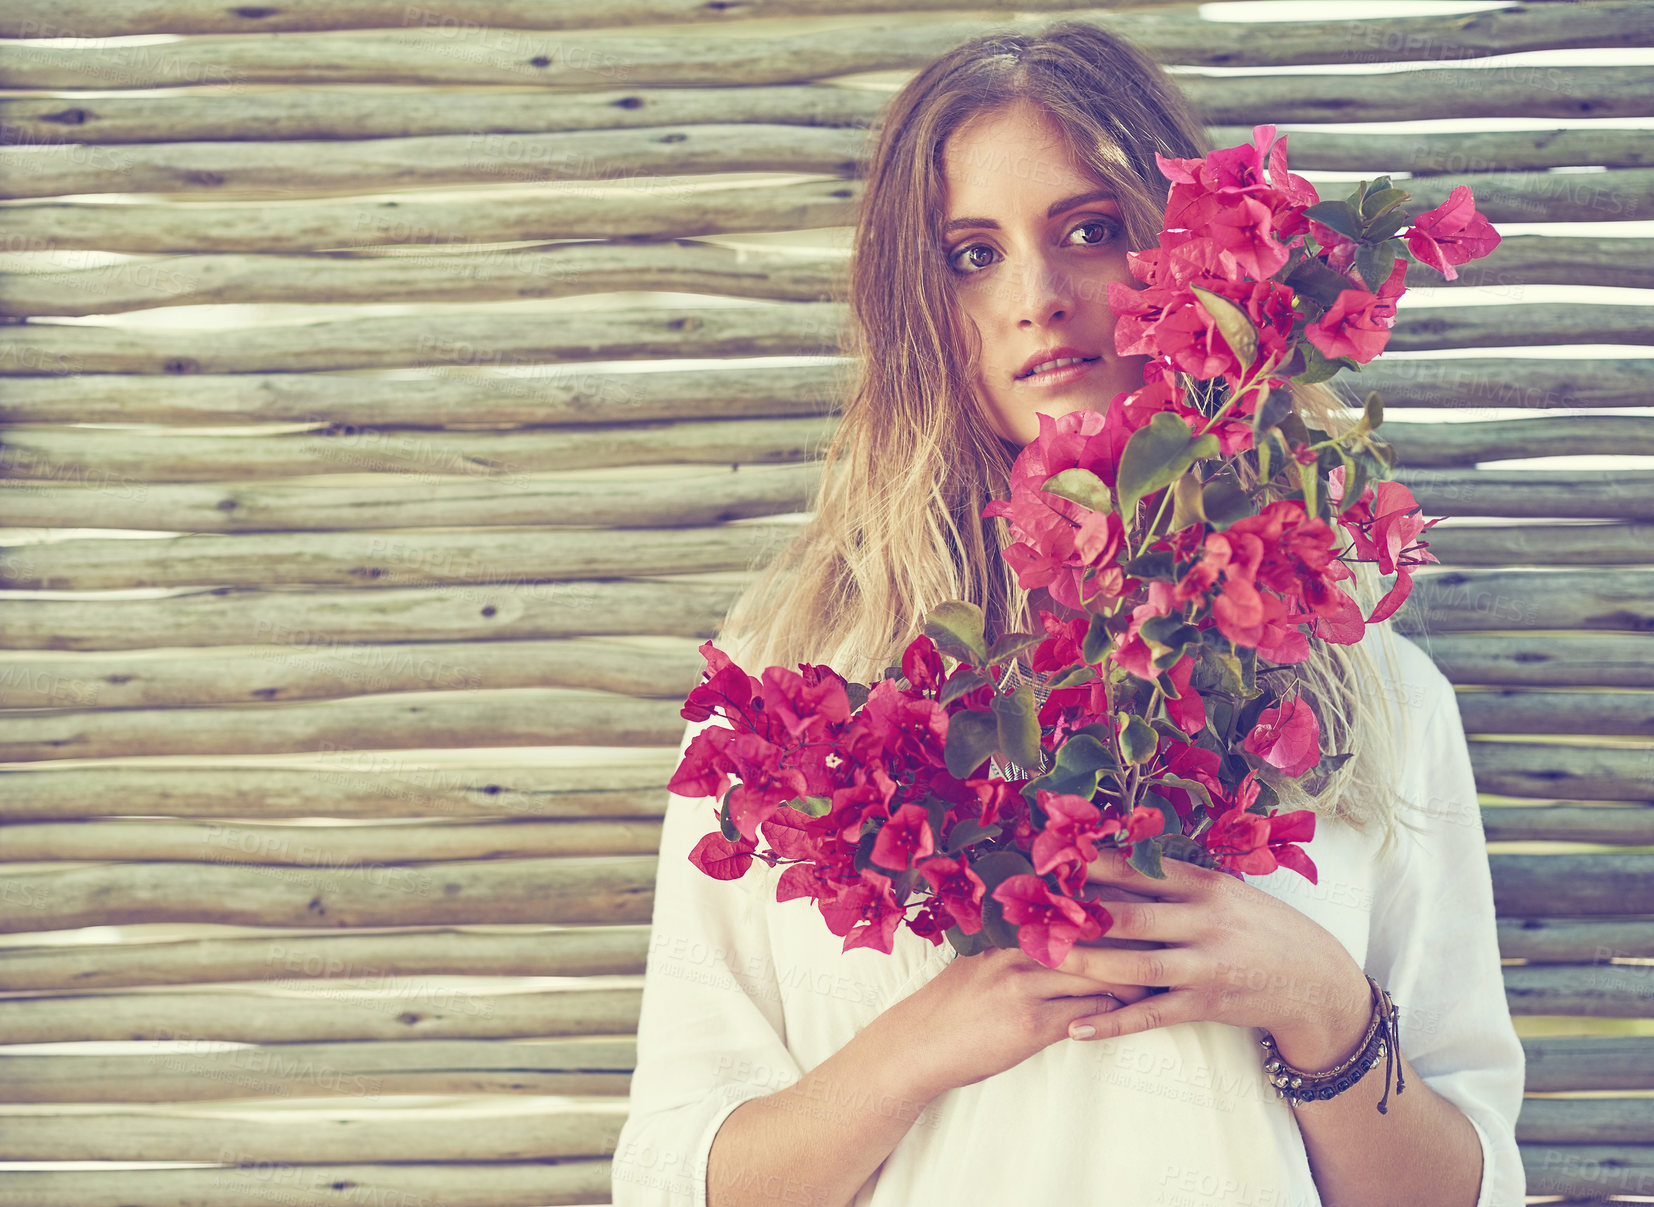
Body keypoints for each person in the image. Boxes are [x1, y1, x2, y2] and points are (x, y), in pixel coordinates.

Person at [611, 20, 1525, 1207]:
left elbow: (1466, 1190)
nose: (1035, 298)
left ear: (1189, 248)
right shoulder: (794, 692)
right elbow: (678, 1181)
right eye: (968, 255)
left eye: (1088, 231)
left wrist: (1318, 1004)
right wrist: (920, 1046)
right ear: (915, 308)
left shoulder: (1373, 694)